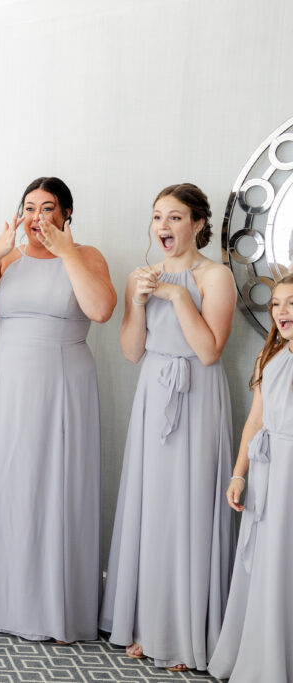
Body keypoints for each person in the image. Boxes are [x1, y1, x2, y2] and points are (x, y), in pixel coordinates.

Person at [0, 177, 115, 642]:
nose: (38, 217)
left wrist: (66, 253)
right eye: (30, 207)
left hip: (63, 384)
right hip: (8, 382)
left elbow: (102, 310)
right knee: (7, 484)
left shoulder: (86, 256)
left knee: (55, 486)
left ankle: (53, 608)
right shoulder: (7, 259)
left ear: (66, 215)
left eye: (49, 208)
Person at [101, 183, 235, 671]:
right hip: (153, 392)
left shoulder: (215, 277)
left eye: (175, 217)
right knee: (152, 507)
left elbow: (209, 351)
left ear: (198, 224)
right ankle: (146, 625)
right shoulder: (145, 274)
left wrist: (178, 297)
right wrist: (137, 302)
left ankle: (182, 635)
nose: (163, 226)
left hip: (196, 396)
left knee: (188, 508)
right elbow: (132, 352)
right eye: (158, 216)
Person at [209, 273, 293, 681]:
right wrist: (238, 474)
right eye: (276, 303)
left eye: (291, 303)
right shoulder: (270, 360)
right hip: (268, 469)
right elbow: (254, 423)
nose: (282, 312)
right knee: (267, 560)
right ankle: (263, 658)